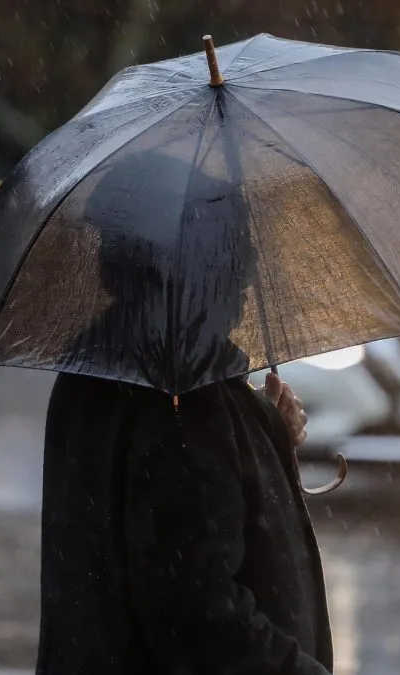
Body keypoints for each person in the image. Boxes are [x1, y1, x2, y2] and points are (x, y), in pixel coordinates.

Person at [35, 150, 333, 674]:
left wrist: (264, 435)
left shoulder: (94, 371)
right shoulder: (183, 400)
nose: (248, 268)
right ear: (187, 266)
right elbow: (198, 616)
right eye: (231, 246)